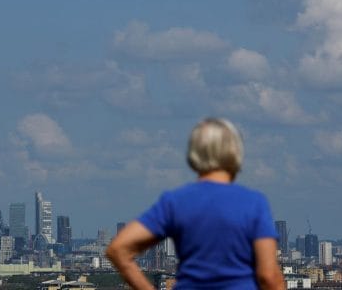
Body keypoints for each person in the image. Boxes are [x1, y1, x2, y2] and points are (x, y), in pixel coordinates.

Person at [106, 118, 285, 290]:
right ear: (235, 153)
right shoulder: (254, 203)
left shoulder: (175, 201)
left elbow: (118, 249)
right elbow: (269, 277)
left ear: (193, 155)